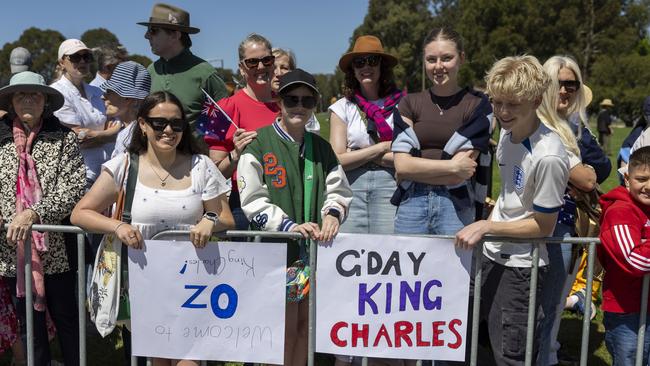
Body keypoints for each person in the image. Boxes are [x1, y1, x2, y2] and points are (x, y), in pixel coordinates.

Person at [71, 91, 235, 366]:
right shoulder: (123, 166)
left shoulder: (201, 166)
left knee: (188, 361)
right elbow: (81, 213)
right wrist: (117, 225)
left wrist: (210, 219)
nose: (169, 130)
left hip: (193, 286)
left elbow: (226, 217)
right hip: (144, 284)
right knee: (158, 361)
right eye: (159, 123)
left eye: (176, 123)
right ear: (143, 125)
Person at [455, 55, 570, 366]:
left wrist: (486, 227)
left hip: (521, 268)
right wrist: (489, 228)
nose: (503, 112)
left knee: (511, 355)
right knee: (473, 340)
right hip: (491, 255)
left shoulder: (548, 156)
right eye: (497, 102)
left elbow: (543, 226)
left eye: (513, 104)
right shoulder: (506, 132)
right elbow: (509, 198)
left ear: (534, 100)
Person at [237, 69, 352, 366]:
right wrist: (289, 227)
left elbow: (338, 190)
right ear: (278, 101)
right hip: (274, 256)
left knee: (304, 326)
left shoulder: (322, 148)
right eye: (291, 99)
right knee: (281, 329)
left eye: (307, 100)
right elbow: (252, 201)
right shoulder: (258, 144)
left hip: (311, 257)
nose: (299, 106)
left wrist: (332, 215)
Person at [0, 71, 86, 366]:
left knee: (67, 321)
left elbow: (73, 188)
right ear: (11, 101)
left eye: (35, 94)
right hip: (11, 252)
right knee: (28, 326)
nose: (28, 99)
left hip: (58, 250)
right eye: (21, 94)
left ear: (45, 101)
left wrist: (34, 213)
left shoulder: (62, 137)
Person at [535, 55, 610, 365]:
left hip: (572, 223)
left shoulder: (575, 126)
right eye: (557, 84)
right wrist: (581, 177)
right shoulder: (537, 125)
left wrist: (583, 177)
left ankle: (548, 353)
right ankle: (542, 357)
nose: (564, 91)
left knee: (553, 300)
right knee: (542, 303)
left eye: (571, 84)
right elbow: (589, 177)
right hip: (545, 224)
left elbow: (603, 167)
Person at [392, 27, 491, 237]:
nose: (438, 66)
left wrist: (417, 167)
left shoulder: (479, 106)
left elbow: (462, 172)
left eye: (446, 58)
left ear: (461, 58)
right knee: (408, 271)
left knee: (454, 270)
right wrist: (451, 166)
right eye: (431, 59)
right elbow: (401, 165)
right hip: (411, 203)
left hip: (456, 205)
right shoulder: (408, 103)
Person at [203, 33, 280, 231]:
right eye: (252, 62)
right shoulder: (223, 109)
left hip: (284, 198)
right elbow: (214, 173)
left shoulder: (289, 104)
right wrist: (235, 155)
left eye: (266, 60)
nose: (261, 67)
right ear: (241, 68)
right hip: (243, 203)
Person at [329, 35, 403, 237]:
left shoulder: (403, 105)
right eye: (359, 62)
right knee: (351, 249)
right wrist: (381, 148)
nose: (365, 67)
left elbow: (405, 158)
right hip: (351, 188)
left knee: (387, 250)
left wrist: (358, 154)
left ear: (382, 66)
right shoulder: (342, 108)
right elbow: (337, 159)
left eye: (372, 60)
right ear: (352, 69)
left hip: (390, 186)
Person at [598, 146, 650, 366]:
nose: (648, 186)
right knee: (630, 359)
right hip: (627, 310)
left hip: (646, 306)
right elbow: (633, 260)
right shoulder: (620, 212)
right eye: (642, 178)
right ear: (627, 178)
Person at [138, 3, 228, 128]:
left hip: (195, 148)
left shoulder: (205, 74)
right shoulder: (150, 71)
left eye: (153, 31)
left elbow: (223, 122)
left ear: (175, 35)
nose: (146, 36)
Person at [51, 38, 117, 187]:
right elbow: (78, 139)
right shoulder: (58, 93)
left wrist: (95, 134)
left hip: (107, 171)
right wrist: (111, 134)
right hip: (81, 175)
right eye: (75, 57)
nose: (82, 62)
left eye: (86, 57)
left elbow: (114, 123)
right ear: (62, 62)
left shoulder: (97, 91)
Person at [101, 61, 152, 158]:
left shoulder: (137, 137)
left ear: (127, 98)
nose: (103, 97)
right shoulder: (129, 130)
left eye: (109, 92)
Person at [271, 47, 320, 134]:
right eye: (273, 67)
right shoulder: (257, 103)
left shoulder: (304, 107)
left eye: (284, 68)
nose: (278, 73)